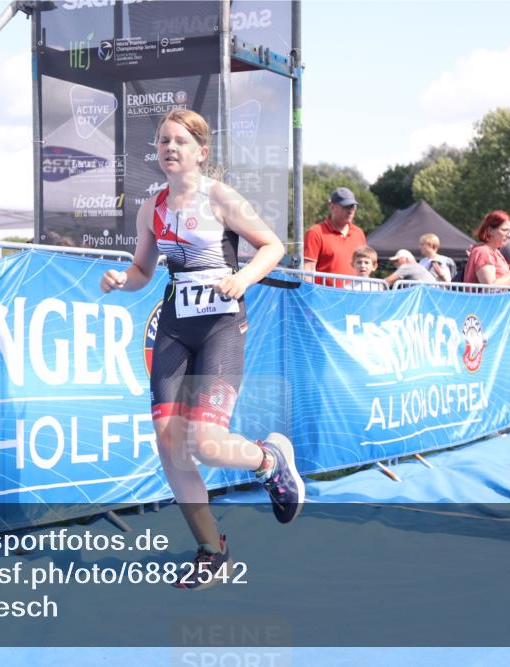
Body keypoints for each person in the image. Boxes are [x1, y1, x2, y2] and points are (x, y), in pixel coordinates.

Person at [99, 109, 303, 589]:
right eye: (163, 141)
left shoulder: (221, 197)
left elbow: (271, 246)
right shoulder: (151, 208)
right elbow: (143, 272)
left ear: (201, 153)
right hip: (174, 326)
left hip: (220, 327)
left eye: (181, 142)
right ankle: (212, 550)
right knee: (170, 444)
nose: (169, 148)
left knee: (207, 444)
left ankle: (269, 460)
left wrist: (243, 277)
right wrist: (120, 279)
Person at [302, 187, 367, 286]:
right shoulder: (315, 232)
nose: (350, 211)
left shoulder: (359, 233)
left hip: (354, 298)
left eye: (353, 206)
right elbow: (308, 270)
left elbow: (366, 266)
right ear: (332, 206)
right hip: (325, 299)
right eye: (346, 206)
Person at [463, 210, 510, 285]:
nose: (509, 235)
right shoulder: (483, 252)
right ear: (490, 230)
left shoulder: (496, 253)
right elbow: (490, 287)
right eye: (504, 230)